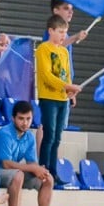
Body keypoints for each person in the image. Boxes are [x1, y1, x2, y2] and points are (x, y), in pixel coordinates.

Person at [0, 100, 53, 206]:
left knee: (48, 178)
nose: (25, 123)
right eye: (21, 118)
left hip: (12, 170)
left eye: (28, 119)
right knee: (18, 175)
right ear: (13, 118)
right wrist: (32, 168)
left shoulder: (29, 136)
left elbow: (32, 162)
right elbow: (6, 164)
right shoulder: (5, 134)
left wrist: (38, 169)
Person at [36, 14, 81, 179]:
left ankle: (53, 171)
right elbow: (47, 75)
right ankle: (43, 168)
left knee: (57, 137)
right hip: (48, 98)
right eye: (61, 32)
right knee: (49, 134)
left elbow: (67, 74)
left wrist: (71, 92)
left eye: (65, 32)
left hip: (63, 99)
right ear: (51, 31)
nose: (64, 36)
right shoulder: (43, 49)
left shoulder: (63, 51)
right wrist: (67, 86)